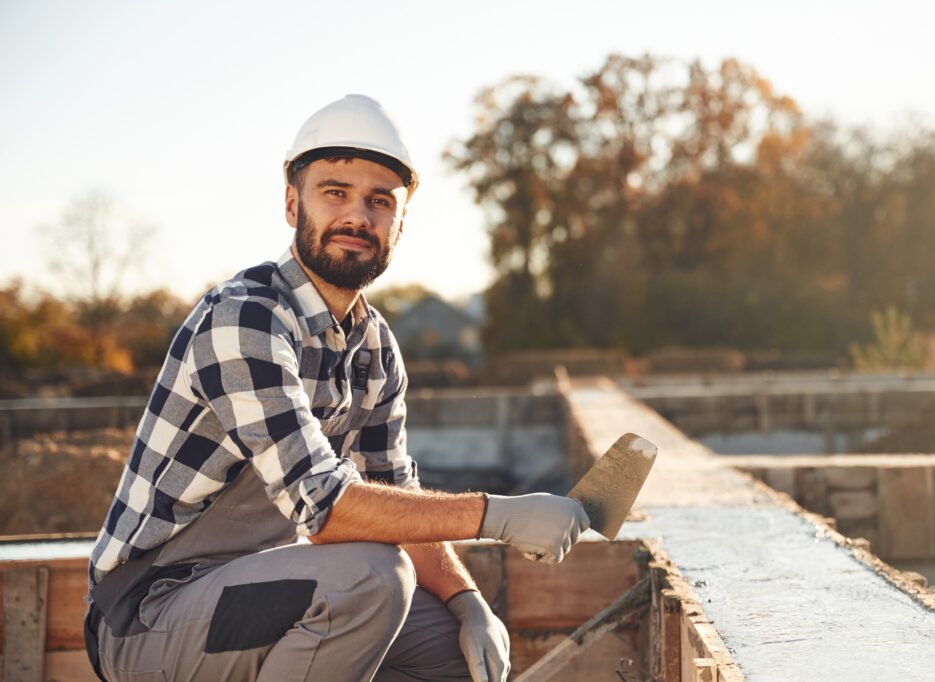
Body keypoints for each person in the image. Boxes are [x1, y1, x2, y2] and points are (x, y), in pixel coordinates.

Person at [83, 94, 590, 682]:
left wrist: (467, 602)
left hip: (264, 586)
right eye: (335, 193)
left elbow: (395, 498)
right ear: (292, 202)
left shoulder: (373, 347)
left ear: (401, 222)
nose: (358, 217)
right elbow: (325, 507)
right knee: (373, 579)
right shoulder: (245, 319)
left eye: (380, 202)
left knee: (455, 652)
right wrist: (498, 515)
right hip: (149, 615)